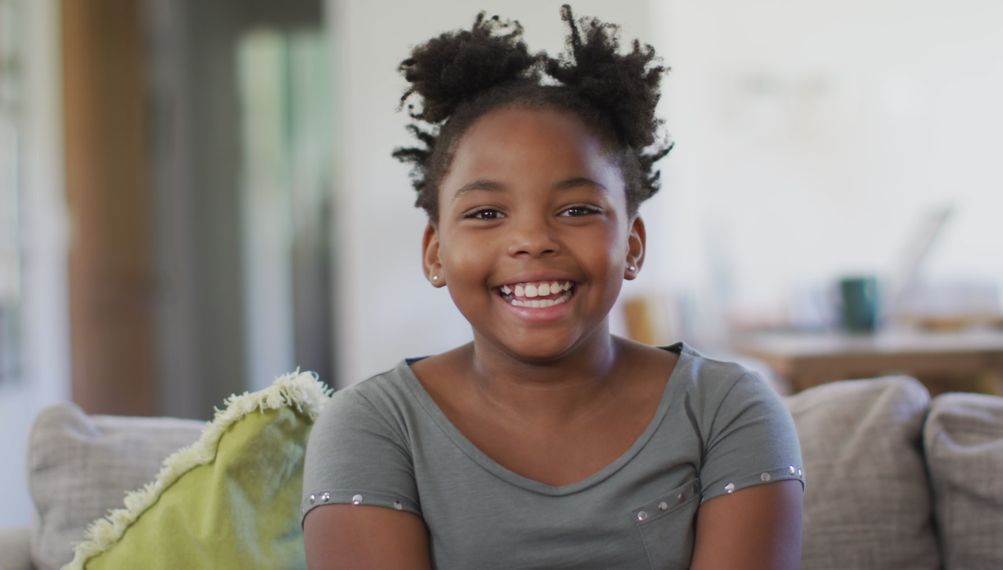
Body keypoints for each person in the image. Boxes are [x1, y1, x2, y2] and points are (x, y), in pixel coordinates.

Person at [301, 6, 804, 569]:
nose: (533, 240)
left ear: (633, 245)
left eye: (577, 209)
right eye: (487, 213)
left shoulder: (727, 411)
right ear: (435, 253)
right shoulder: (372, 425)